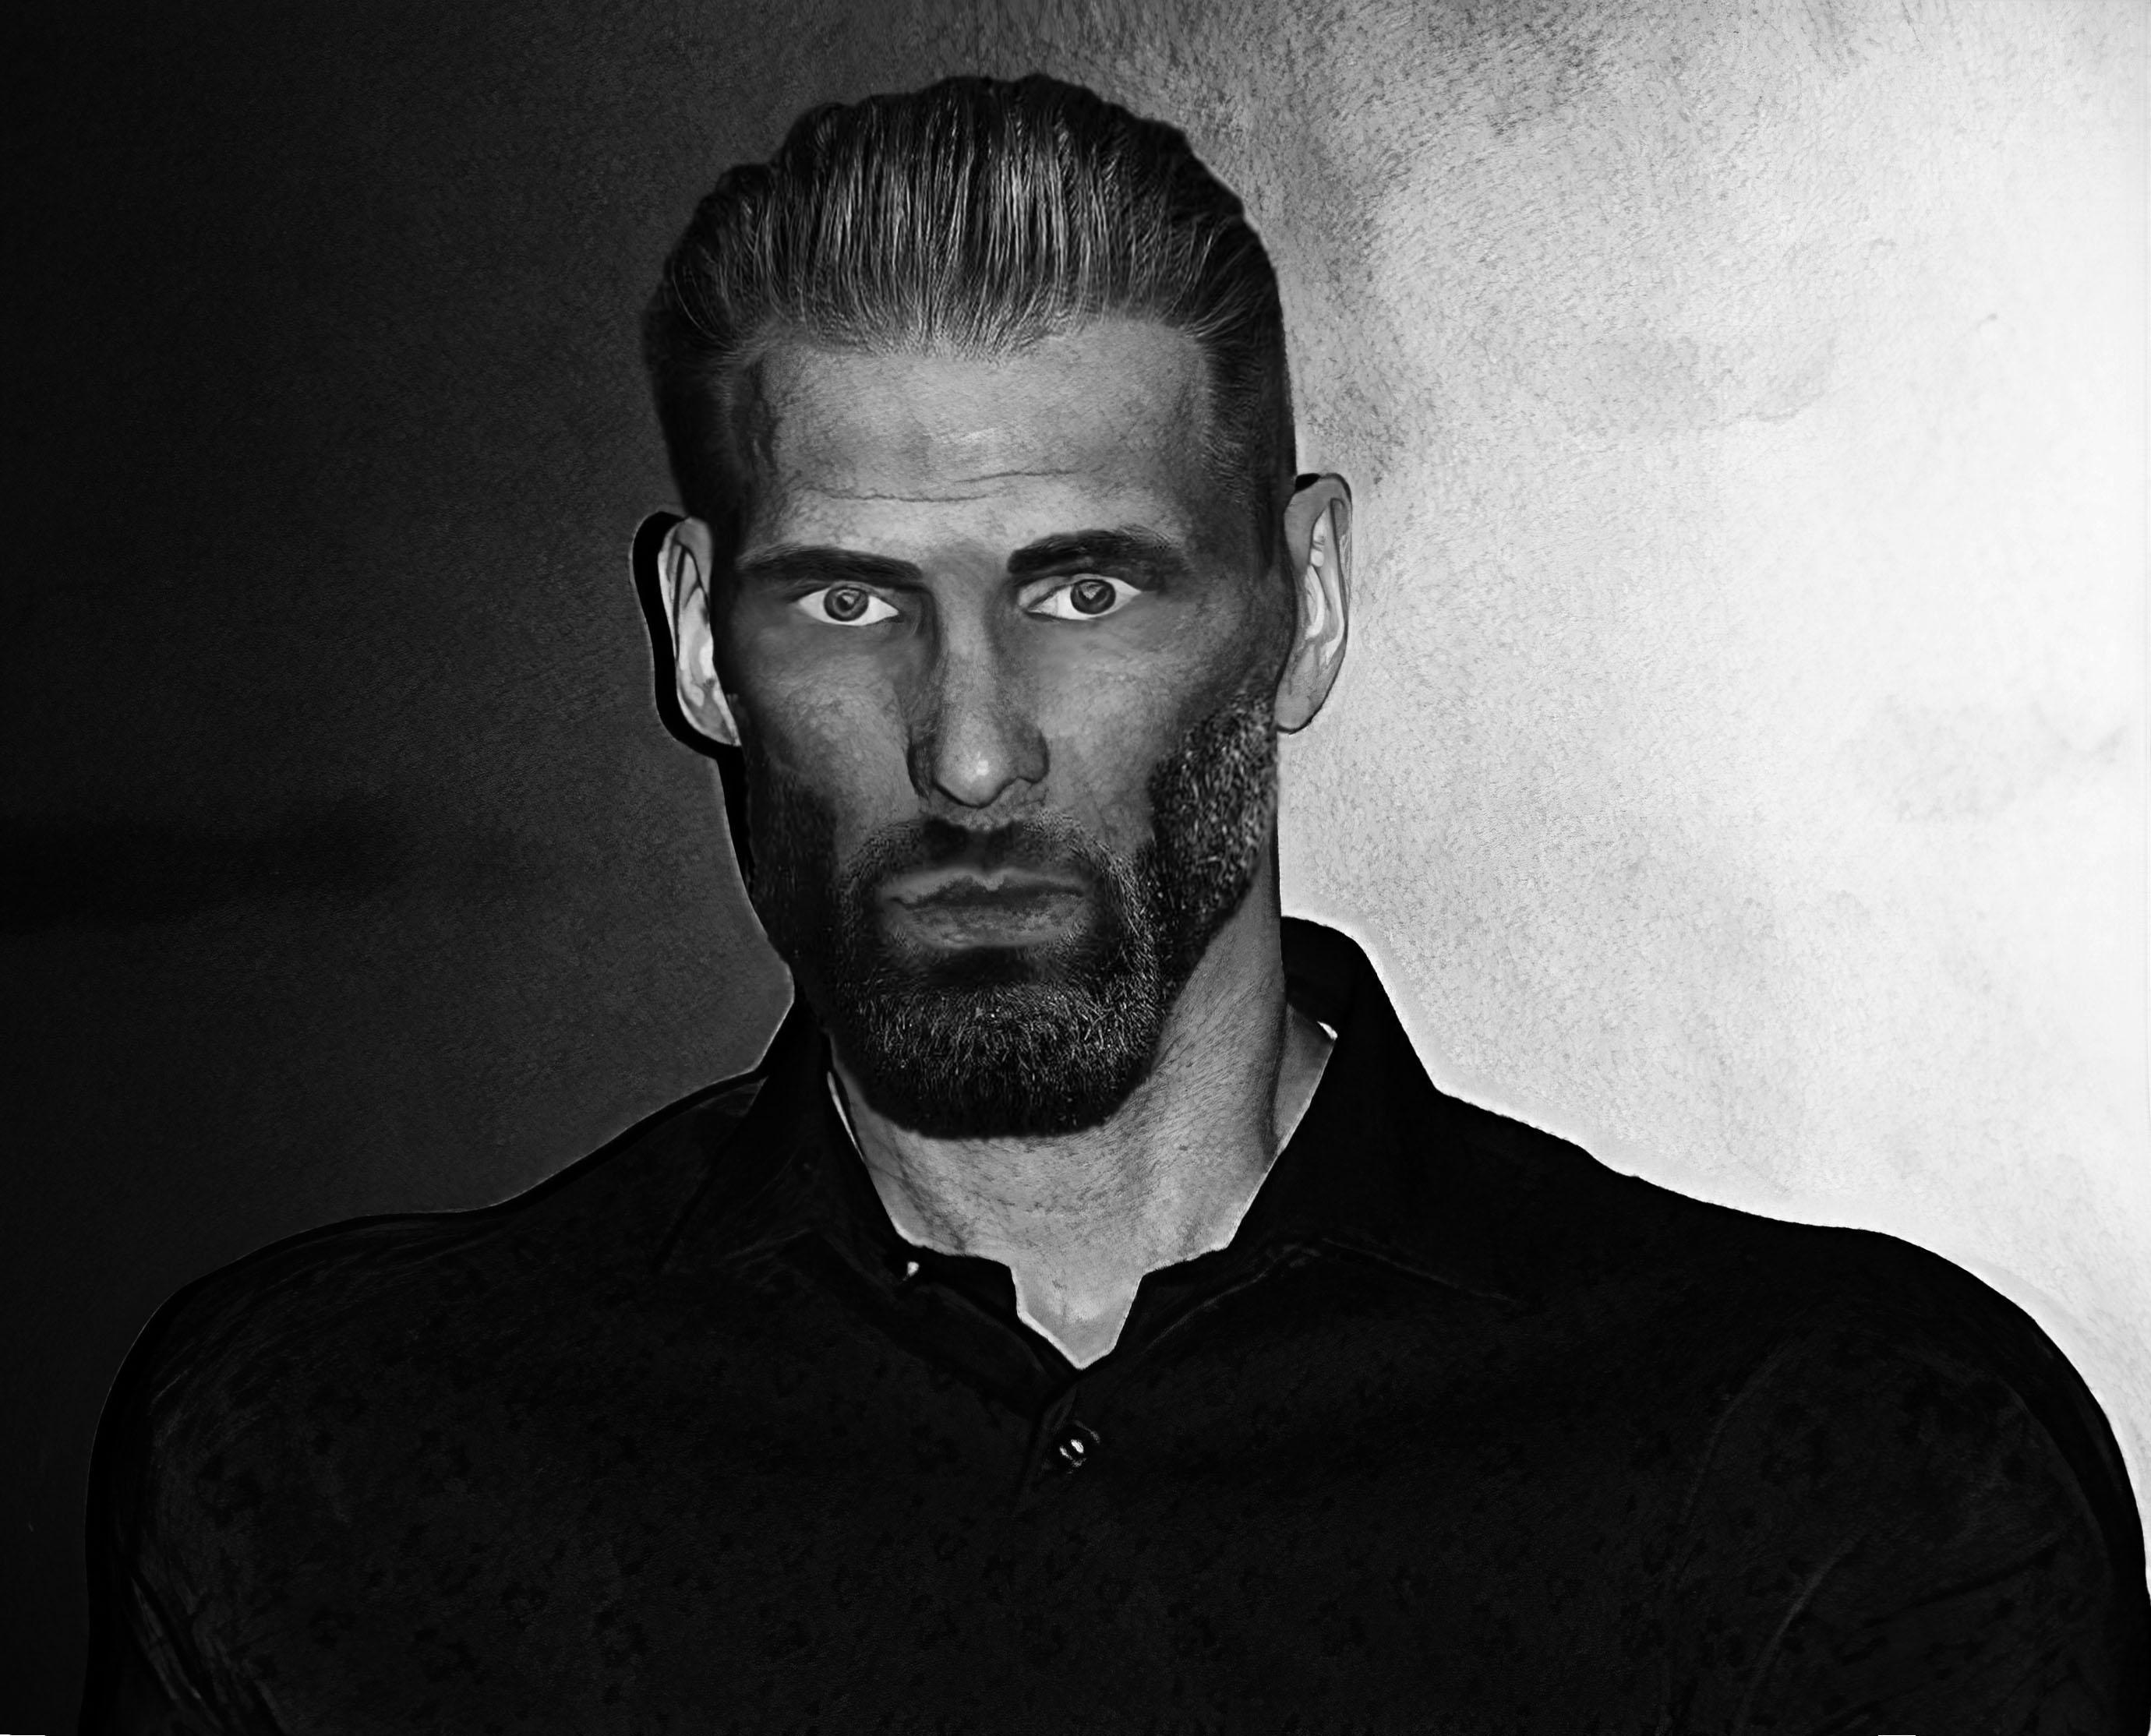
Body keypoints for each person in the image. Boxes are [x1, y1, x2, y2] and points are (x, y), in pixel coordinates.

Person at [81, 73, 2147, 1732]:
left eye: (1085, 589)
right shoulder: (343, 1452)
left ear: (1302, 605)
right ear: (702, 645)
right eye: (847, 601)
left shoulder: (1839, 1463)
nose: (971, 749)